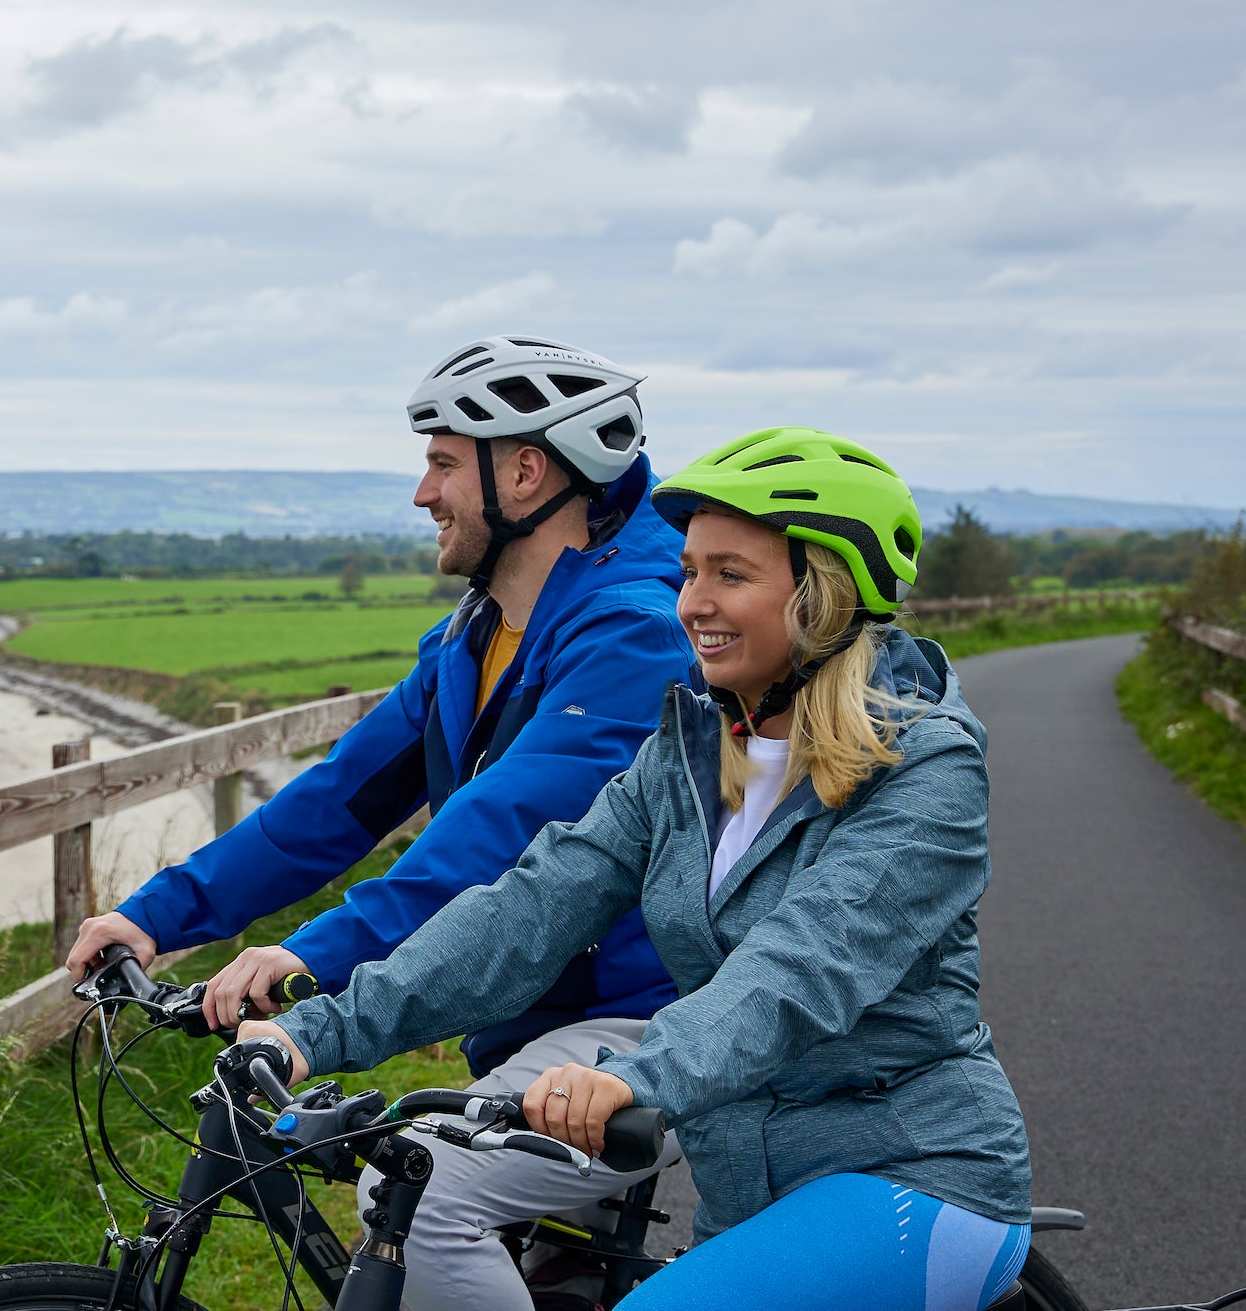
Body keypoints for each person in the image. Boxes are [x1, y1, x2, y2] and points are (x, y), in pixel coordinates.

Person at [242, 427, 1034, 1311]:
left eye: (731, 575)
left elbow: (803, 968)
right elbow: (530, 906)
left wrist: (633, 1074)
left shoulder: (925, 771)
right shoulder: (690, 750)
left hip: (911, 1177)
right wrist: (321, 1029)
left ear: (825, 596)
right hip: (749, 1200)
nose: (691, 601)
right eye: (691, 570)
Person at [66, 336, 703, 1309]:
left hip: (638, 1024)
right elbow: (331, 806)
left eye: (443, 463)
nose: (421, 493)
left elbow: (493, 838)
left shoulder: (632, 636)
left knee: (418, 1195)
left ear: (525, 471)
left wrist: (310, 958)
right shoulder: (476, 635)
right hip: (534, 1029)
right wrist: (157, 915)